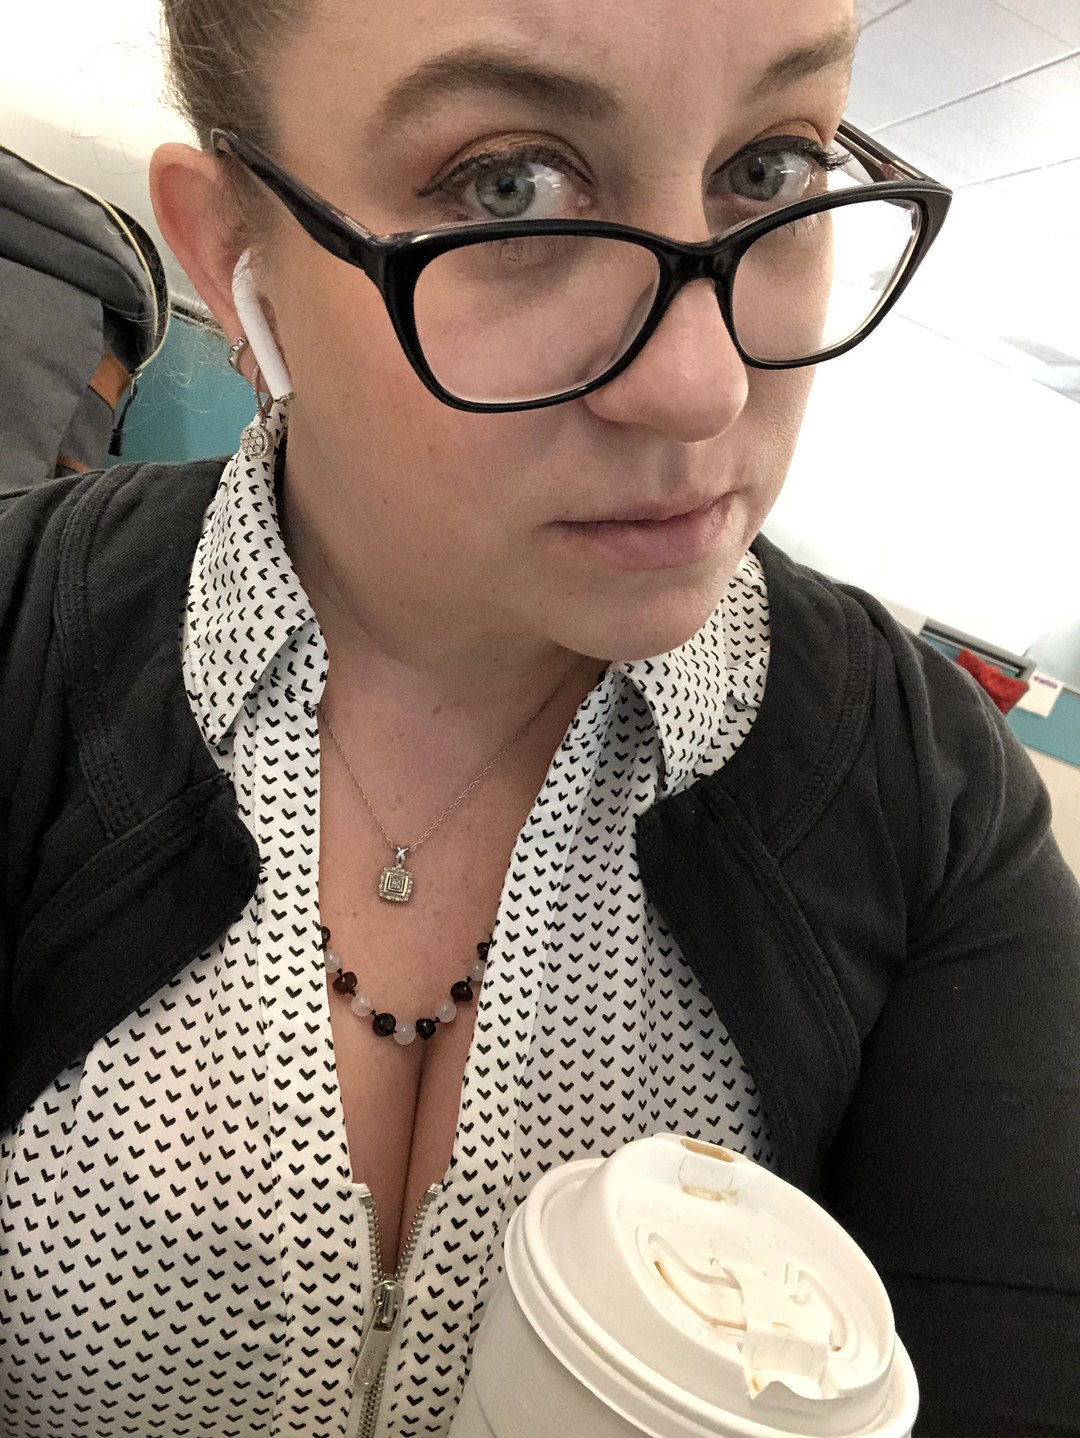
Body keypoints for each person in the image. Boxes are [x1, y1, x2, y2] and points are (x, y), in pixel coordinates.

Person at [1, 0, 1077, 1433]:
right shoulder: (21, 641)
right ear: (227, 253)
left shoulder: (929, 796)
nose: (701, 386)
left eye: (771, 166)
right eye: (508, 186)